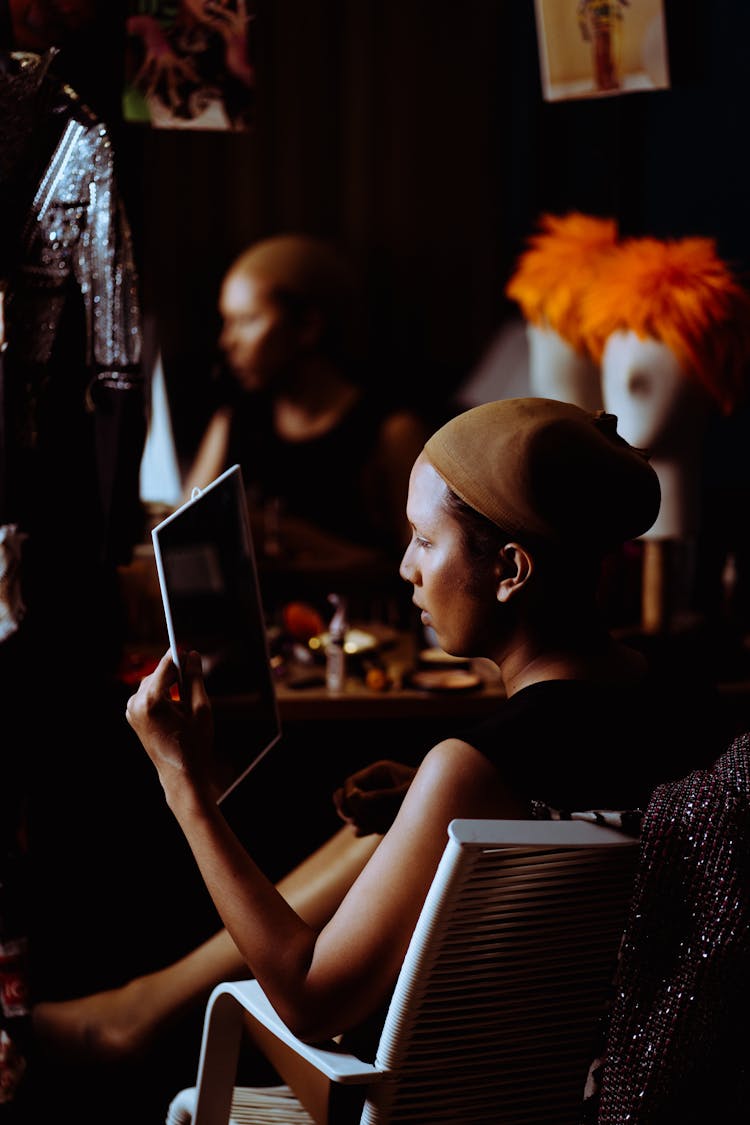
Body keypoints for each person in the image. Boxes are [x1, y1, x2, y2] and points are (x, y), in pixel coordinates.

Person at [112, 396, 731, 1086]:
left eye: (426, 541)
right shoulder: (696, 706)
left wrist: (183, 785)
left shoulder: (474, 769)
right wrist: (431, 797)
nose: (406, 567)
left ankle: (130, 1022)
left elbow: (310, 1000)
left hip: (466, 1092)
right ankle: (133, 1012)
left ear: (510, 571)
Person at [183, 233, 429, 569]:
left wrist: (287, 536)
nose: (227, 341)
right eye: (227, 321)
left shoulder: (390, 432)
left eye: (247, 321)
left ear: (308, 327)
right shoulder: (233, 422)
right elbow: (181, 539)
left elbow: (419, 566)